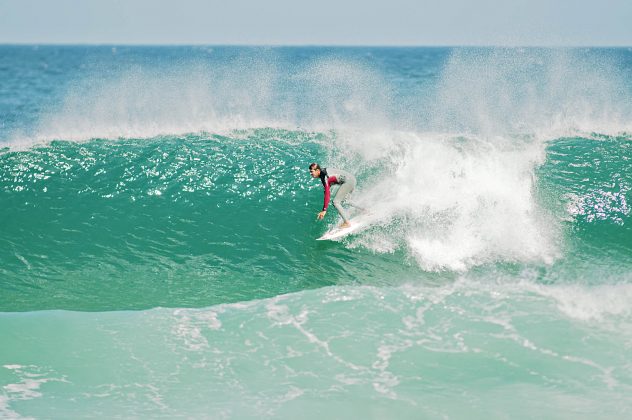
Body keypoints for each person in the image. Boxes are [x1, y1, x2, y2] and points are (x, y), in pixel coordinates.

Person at [309, 163, 356, 228]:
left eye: (312, 171)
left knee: (336, 202)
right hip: (352, 179)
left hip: (348, 181)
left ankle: (347, 223)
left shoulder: (324, 176)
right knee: (345, 200)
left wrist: (324, 210)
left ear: (317, 171)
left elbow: (327, 193)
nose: (311, 174)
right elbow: (327, 189)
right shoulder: (324, 173)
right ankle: (364, 210)